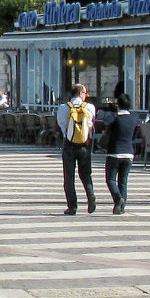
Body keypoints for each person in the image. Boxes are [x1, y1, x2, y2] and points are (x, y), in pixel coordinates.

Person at [56, 83, 97, 215]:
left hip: (69, 144)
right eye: (85, 93)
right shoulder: (90, 107)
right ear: (80, 93)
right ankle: (90, 195)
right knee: (86, 174)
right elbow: (91, 123)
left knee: (69, 176)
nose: (86, 95)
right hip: (85, 144)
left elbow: (61, 125)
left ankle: (72, 206)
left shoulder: (63, 108)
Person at [101, 91, 142, 213]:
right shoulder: (134, 118)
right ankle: (121, 208)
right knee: (123, 182)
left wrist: (113, 111)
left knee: (110, 179)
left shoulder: (114, 117)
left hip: (114, 152)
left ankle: (118, 198)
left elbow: (104, 123)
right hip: (128, 152)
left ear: (118, 104)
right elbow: (135, 134)